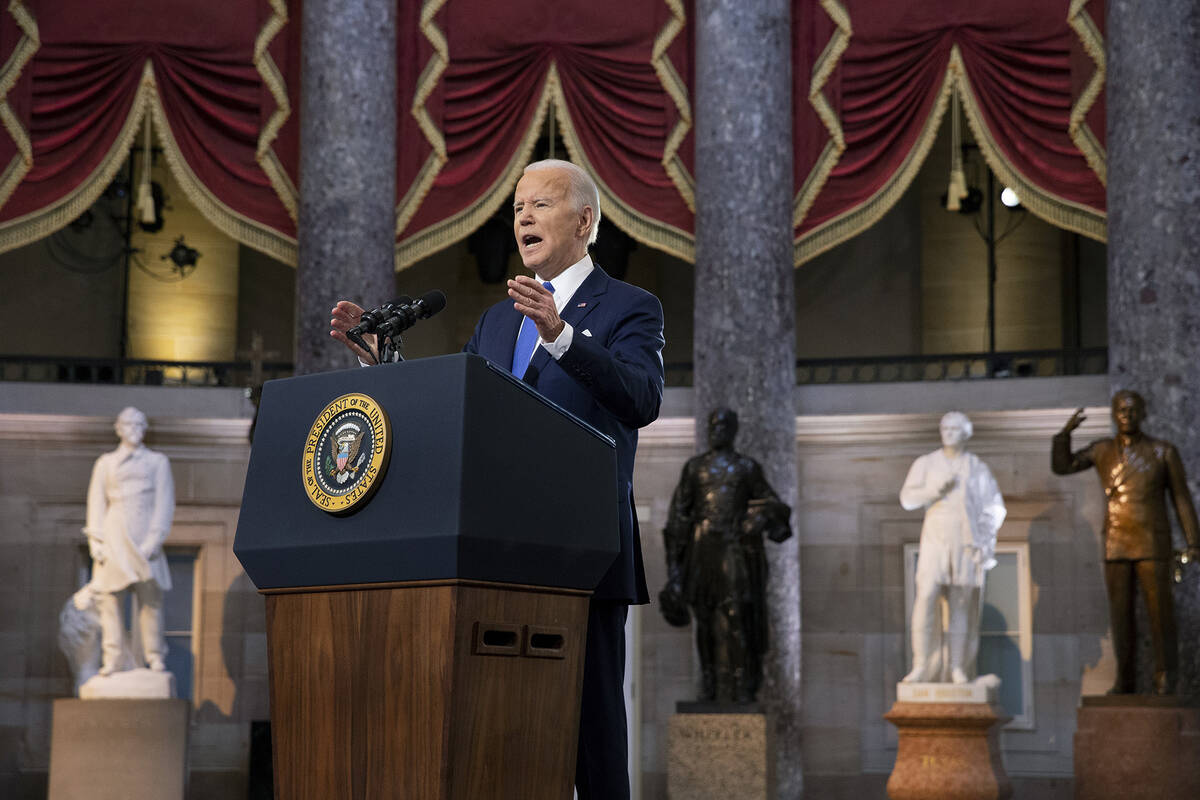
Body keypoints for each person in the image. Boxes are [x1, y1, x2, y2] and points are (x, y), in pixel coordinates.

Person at [331, 159, 664, 799]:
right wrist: (386, 366)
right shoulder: (497, 321)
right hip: (494, 553)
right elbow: (456, 408)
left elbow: (642, 397)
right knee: (502, 729)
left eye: (540, 204)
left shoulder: (630, 307)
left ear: (585, 220)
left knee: (592, 735)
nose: (524, 218)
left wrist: (563, 336)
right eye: (516, 210)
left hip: (582, 550)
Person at [1052, 391, 1200, 695]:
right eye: (1120, 410)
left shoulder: (1163, 452)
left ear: (1143, 413)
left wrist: (1193, 541)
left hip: (1151, 540)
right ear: (1113, 414)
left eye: (1132, 410)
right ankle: (1125, 679)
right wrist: (1064, 435)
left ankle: (1166, 677)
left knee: (1161, 614)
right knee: (1120, 615)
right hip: (1117, 540)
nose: (1126, 415)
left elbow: (1181, 498)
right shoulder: (1101, 450)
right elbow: (1063, 466)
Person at [659, 407, 791, 703]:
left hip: (733, 547)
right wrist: (674, 573)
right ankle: (708, 683)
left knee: (736, 615)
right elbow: (678, 518)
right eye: (713, 425)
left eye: (723, 425)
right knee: (704, 617)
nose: (717, 430)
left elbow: (774, 504)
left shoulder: (747, 468)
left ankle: (741, 684)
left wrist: (760, 517)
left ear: (733, 430)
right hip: (702, 545)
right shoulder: (695, 468)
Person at [900, 411, 1005, 684]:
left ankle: (957, 667)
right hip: (935, 536)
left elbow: (994, 506)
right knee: (926, 596)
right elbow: (907, 499)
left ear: (966, 433)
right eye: (945, 427)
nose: (948, 432)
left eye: (955, 428)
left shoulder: (976, 466)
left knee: (960, 603)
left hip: (965, 539)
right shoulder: (927, 463)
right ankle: (921, 664)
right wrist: (933, 491)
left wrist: (984, 539)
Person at [83, 406, 175, 676]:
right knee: (109, 598)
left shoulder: (158, 462)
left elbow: (164, 505)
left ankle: (154, 656)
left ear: (144, 429)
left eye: (139, 425)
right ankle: (112, 658)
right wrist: (96, 542)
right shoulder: (106, 463)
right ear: (119, 429)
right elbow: (96, 503)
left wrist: (153, 541)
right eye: (128, 425)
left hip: (145, 533)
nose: (134, 430)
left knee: (151, 600)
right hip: (114, 534)